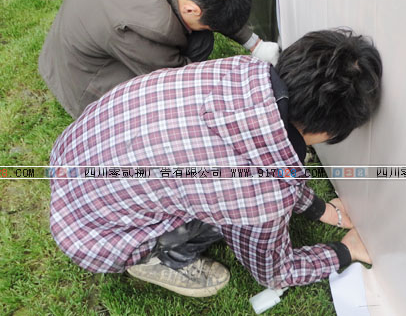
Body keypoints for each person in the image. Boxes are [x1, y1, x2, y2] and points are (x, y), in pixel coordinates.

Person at [48, 28, 382, 297]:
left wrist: (319, 209)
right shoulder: (261, 196)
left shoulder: (239, 70)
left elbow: (272, 154)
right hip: (98, 237)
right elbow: (275, 272)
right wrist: (343, 252)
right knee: (213, 220)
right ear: (327, 132)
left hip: (74, 157)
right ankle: (158, 258)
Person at [38, 0, 279, 119]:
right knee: (199, 47)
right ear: (192, 10)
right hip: (83, 78)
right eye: (209, 24)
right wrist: (243, 81)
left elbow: (216, 2)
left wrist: (255, 44)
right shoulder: (143, 28)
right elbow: (176, 84)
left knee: (200, 37)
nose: (211, 29)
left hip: (83, 31)